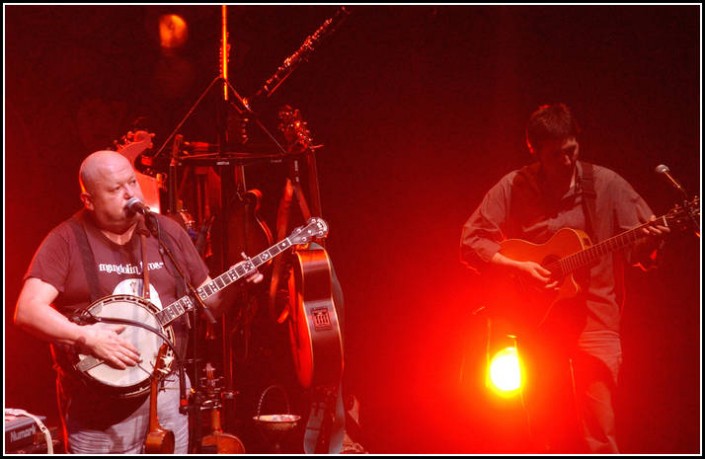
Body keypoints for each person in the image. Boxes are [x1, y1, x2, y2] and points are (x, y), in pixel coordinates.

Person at [459, 103, 670, 453]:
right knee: (543, 431)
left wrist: (654, 240)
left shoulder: (607, 184)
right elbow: (471, 240)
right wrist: (519, 266)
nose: (567, 161)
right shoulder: (515, 186)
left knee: (599, 433)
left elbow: (639, 254)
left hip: (596, 321)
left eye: (571, 150)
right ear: (535, 151)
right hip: (537, 323)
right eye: (556, 154)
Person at [13, 150, 238, 454]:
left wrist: (237, 287)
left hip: (167, 392)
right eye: (115, 189)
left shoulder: (166, 232)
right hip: (99, 410)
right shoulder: (66, 239)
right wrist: (86, 336)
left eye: (131, 182)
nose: (130, 193)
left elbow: (210, 302)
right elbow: (27, 310)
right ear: (89, 200)